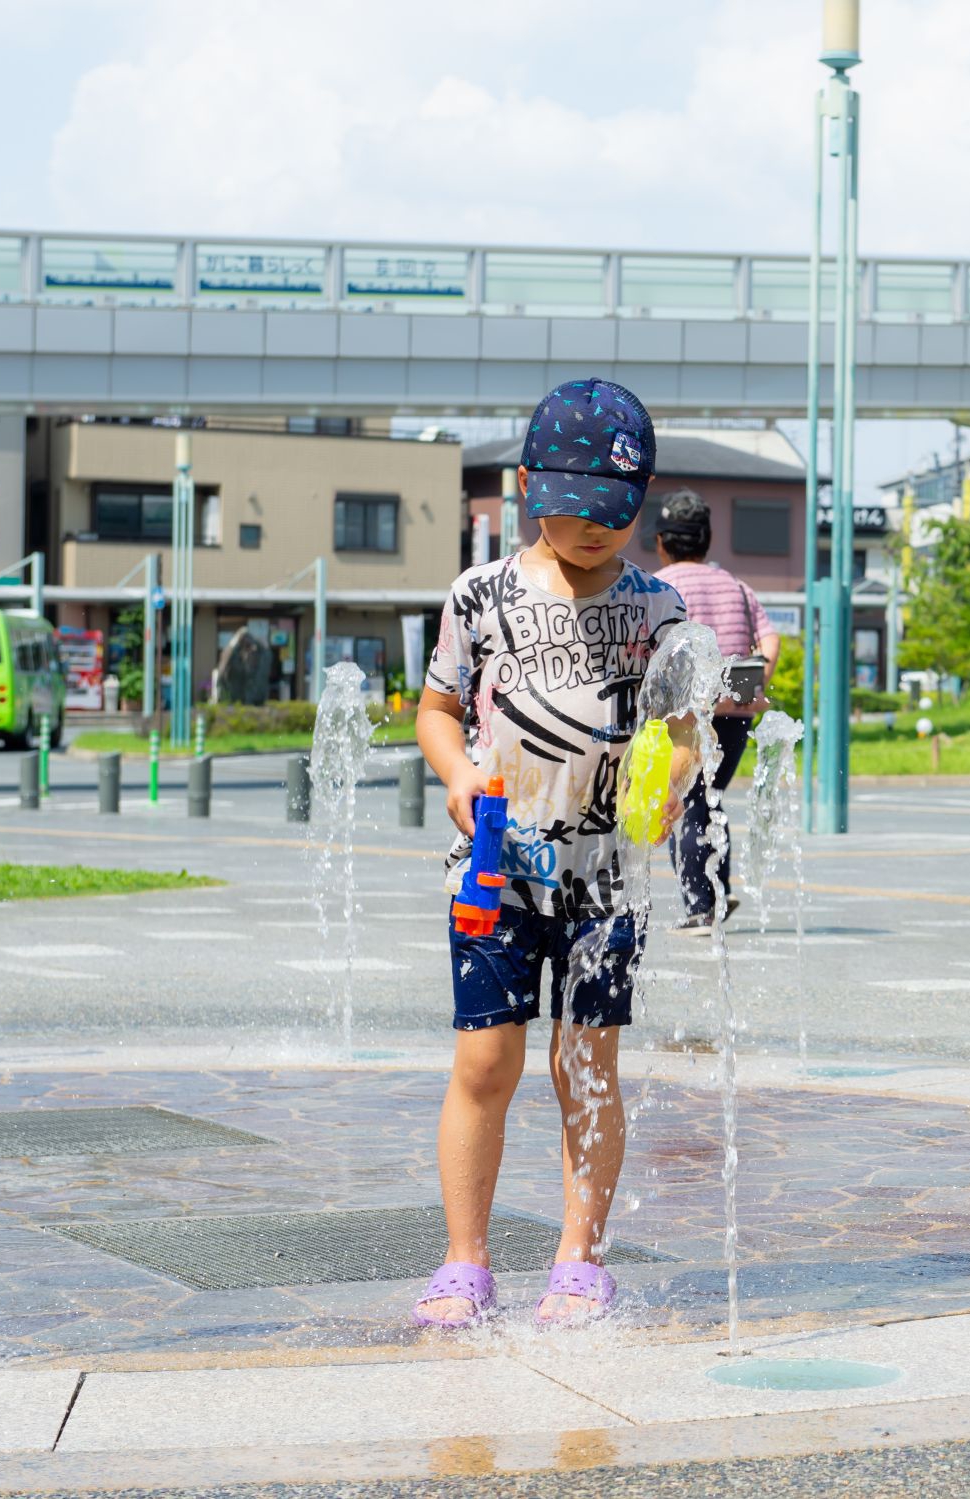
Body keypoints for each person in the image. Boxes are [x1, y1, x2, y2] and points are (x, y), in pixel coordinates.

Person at [410, 378, 697, 1328]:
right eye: (575, 510)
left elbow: (683, 729)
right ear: (530, 485)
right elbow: (439, 709)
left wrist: (674, 783)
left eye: (615, 515)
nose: (594, 532)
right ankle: (465, 1260)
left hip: (607, 878)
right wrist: (455, 775)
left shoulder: (659, 609)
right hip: (495, 865)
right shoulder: (480, 594)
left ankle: (579, 1255)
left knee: (588, 1065)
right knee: (484, 1064)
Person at [651, 491, 781, 933]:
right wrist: (752, 686)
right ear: (707, 541)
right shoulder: (737, 586)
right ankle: (718, 891)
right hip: (735, 712)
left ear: (662, 542)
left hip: (686, 713)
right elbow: (770, 641)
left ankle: (700, 906)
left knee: (686, 801)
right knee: (710, 798)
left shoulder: (661, 585)